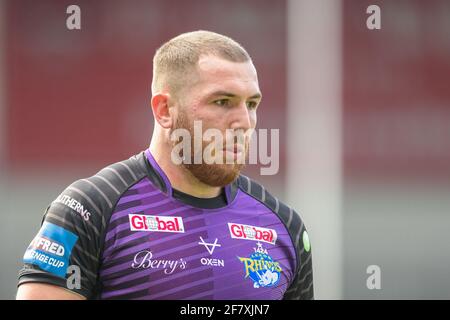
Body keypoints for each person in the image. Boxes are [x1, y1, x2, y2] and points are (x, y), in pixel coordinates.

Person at [16, 30, 313, 300]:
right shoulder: (90, 208)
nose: (244, 122)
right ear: (164, 110)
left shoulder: (283, 225)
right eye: (223, 102)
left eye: (251, 104)